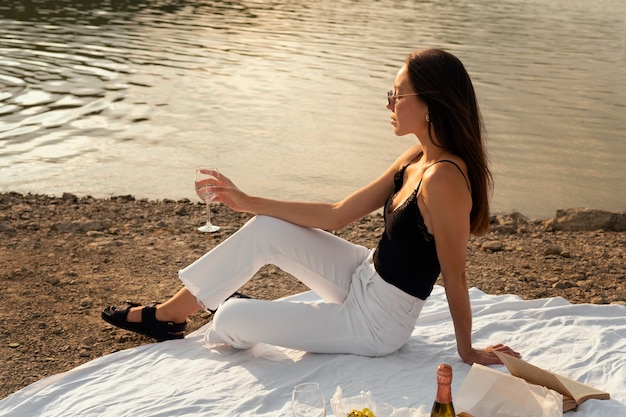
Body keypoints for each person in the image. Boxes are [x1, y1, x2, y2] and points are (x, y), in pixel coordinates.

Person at [102, 48, 519, 365]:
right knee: (267, 228)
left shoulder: (443, 179)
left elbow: (455, 272)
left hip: (379, 322)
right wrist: (246, 201)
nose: (389, 103)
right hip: (363, 273)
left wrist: (468, 350)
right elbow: (336, 213)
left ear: (428, 104)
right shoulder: (416, 157)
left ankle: (229, 305)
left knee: (228, 321)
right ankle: (169, 315)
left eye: (397, 94)